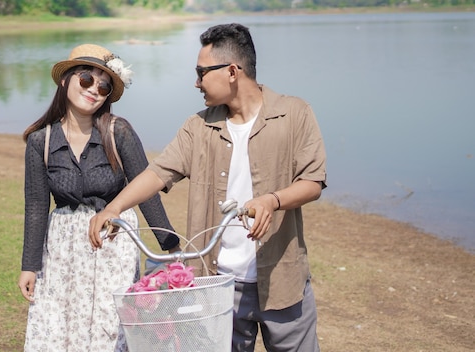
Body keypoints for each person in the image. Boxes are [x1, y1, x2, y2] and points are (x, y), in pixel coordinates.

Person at [89, 24, 327, 352]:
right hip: (216, 287)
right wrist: (114, 208)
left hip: (283, 283)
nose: (196, 82)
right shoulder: (198, 126)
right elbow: (158, 173)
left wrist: (272, 200)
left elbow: (312, 182)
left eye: (202, 72)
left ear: (232, 71)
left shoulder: (294, 113)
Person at [17, 43, 180, 352]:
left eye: (104, 85)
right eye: (86, 79)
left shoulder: (119, 132)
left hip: (113, 244)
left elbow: (146, 190)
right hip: (63, 251)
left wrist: (171, 248)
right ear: (66, 80)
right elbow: (37, 206)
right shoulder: (41, 140)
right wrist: (29, 265)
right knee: (59, 327)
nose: (94, 90)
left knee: (110, 328)